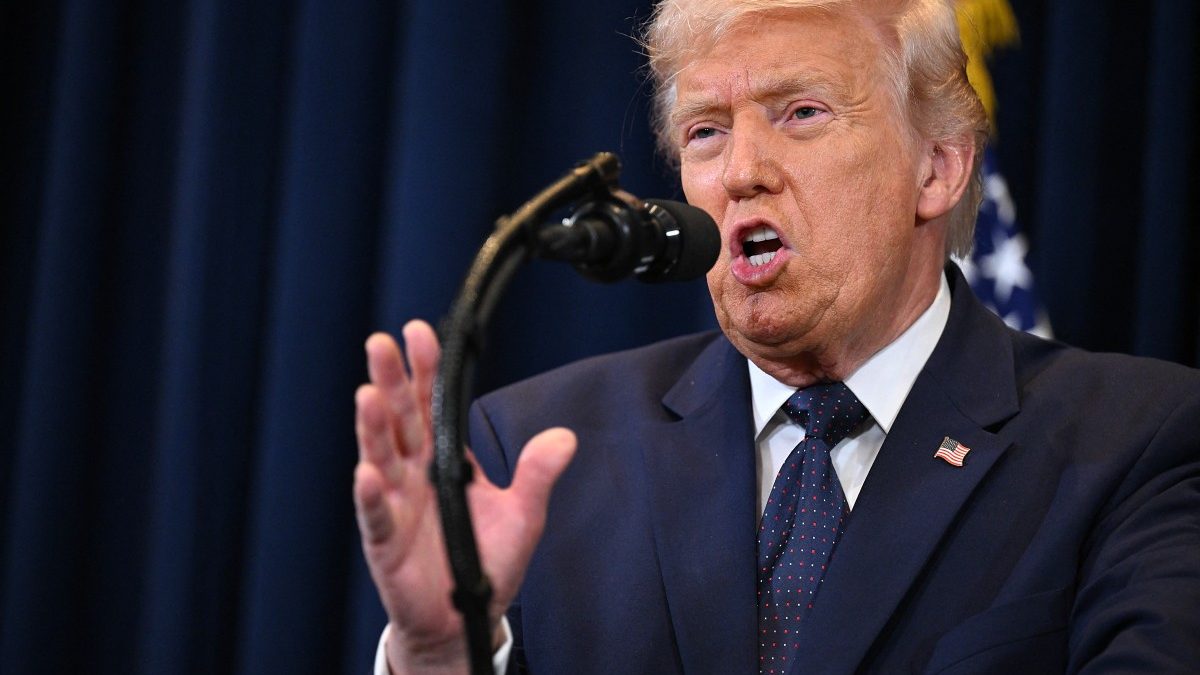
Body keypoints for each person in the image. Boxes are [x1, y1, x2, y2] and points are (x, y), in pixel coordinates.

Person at [353, 0, 1200, 673]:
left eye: (800, 112)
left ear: (937, 166)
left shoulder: (1139, 444)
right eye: (706, 131)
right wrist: (437, 658)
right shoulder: (535, 451)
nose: (740, 169)